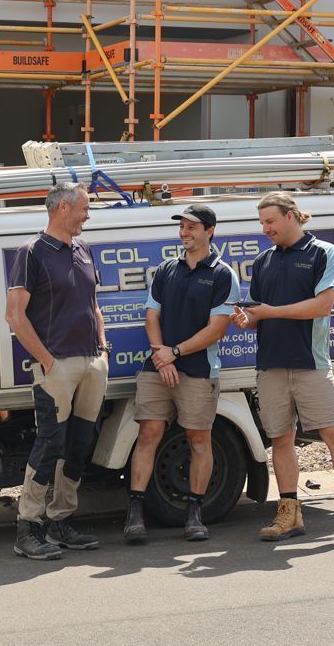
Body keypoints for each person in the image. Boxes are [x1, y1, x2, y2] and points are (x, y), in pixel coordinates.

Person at [233, 191, 334, 544]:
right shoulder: (263, 261)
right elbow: (257, 312)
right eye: (262, 222)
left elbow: (322, 306)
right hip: (270, 365)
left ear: (292, 216)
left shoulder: (324, 253)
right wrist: (246, 320)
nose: (265, 229)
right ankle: (289, 514)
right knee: (281, 441)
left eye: (270, 221)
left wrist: (268, 313)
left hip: (311, 363)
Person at [5, 182, 109, 560]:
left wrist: (102, 347)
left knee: (79, 444)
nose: (87, 215)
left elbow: (93, 302)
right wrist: (47, 361)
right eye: (84, 208)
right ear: (63, 208)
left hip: (91, 361)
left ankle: (61, 521)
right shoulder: (31, 252)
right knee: (51, 443)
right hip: (56, 366)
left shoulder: (83, 249)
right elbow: (14, 315)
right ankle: (28, 528)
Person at [125, 204, 240, 543]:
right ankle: (135, 515)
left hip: (199, 370)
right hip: (158, 367)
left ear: (209, 231)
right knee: (148, 434)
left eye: (192, 227)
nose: (184, 232)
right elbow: (151, 317)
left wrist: (174, 353)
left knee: (199, 441)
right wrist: (163, 358)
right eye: (182, 227)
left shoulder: (222, 274)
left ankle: (194, 514)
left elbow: (217, 329)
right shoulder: (166, 270)